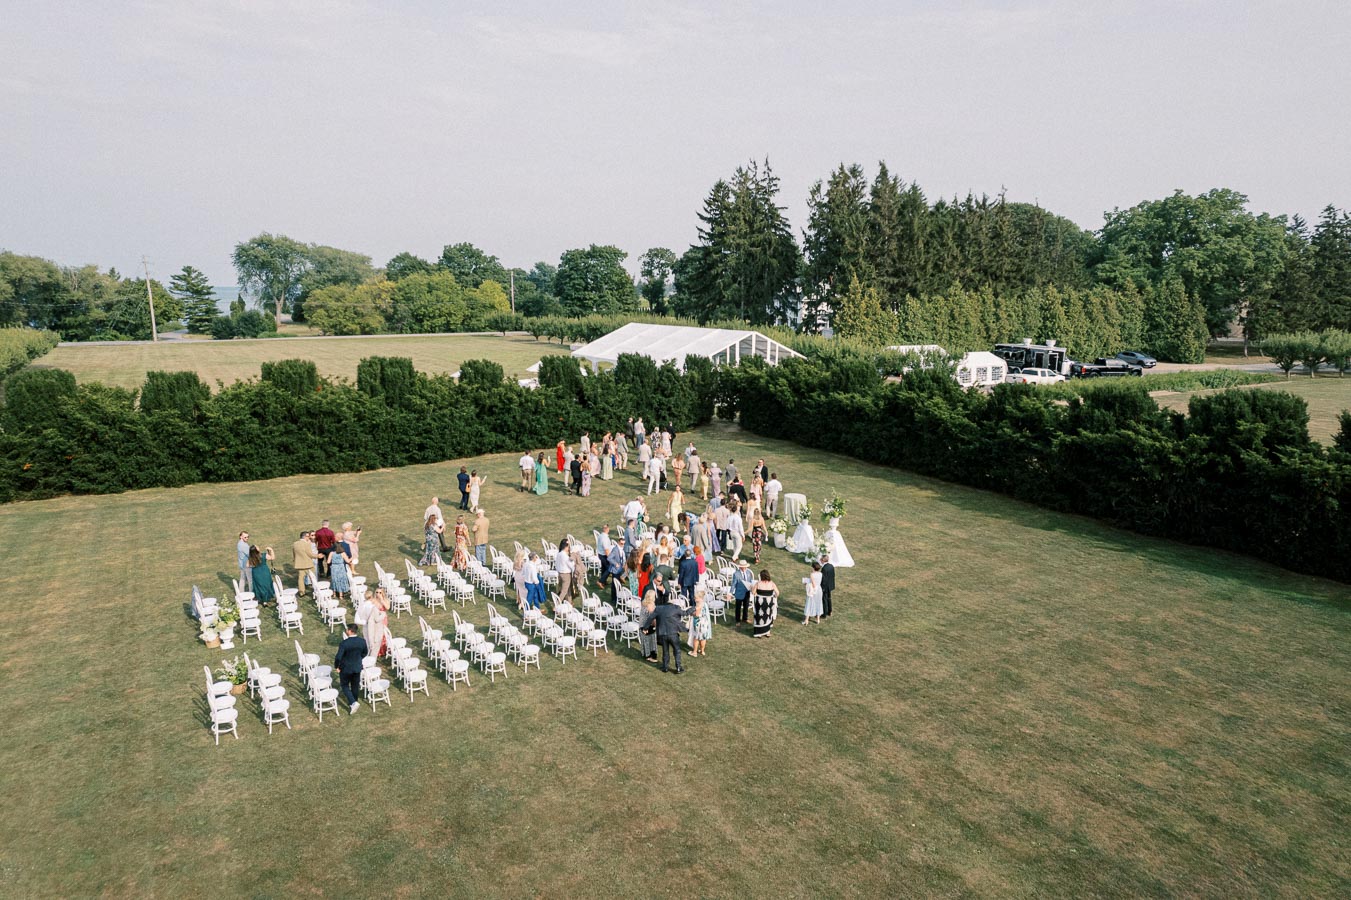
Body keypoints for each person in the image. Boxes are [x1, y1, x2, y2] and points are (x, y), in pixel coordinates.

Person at [638, 593, 693, 673]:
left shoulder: (659, 608)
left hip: (662, 634)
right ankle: (678, 667)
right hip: (673, 633)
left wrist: (645, 628)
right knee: (677, 650)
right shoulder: (675, 608)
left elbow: (650, 618)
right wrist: (693, 608)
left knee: (665, 651)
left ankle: (665, 667)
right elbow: (685, 613)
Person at [333, 623, 368, 714]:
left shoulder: (344, 643)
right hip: (357, 667)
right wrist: (358, 659)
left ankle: (353, 702)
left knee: (344, 685)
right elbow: (365, 652)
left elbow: (338, 657)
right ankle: (354, 701)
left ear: (349, 631)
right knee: (355, 685)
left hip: (346, 668)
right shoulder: (362, 641)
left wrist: (337, 666)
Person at [362, 586, 390, 659]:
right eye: (377, 592)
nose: (378, 594)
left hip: (383, 619)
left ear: (383, 593)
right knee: (374, 633)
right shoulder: (373, 600)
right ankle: (374, 650)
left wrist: (382, 600)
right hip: (374, 619)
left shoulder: (385, 600)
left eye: (380, 592)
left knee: (382, 634)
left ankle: (382, 650)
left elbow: (387, 607)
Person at [291, 530, 322, 595]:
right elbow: (310, 554)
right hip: (308, 564)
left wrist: (295, 560)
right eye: (308, 536)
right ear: (305, 537)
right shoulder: (307, 544)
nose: (309, 538)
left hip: (299, 564)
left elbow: (294, 554)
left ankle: (302, 592)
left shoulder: (295, 544)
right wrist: (318, 556)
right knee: (313, 577)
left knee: (301, 579)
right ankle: (315, 589)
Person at [752, 569, 779, 638]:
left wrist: (756, 594)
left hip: (760, 603)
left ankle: (759, 633)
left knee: (759, 616)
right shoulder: (772, 583)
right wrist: (774, 597)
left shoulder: (758, 583)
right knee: (768, 616)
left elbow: (753, 592)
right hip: (769, 602)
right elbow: (777, 592)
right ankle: (767, 632)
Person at [732, 558, 755, 625]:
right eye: (744, 567)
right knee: (738, 608)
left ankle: (745, 618)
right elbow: (733, 584)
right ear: (741, 567)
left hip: (746, 592)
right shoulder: (736, 574)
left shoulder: (748, 573)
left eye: (745, 567)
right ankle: (737, 620)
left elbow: (750, 581)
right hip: (739, 593)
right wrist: (730, 593)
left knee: (746, 606)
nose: (745, 568)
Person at [638, 592, 659, 662]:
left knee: (645, 640)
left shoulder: (643, 602)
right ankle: (650, 656)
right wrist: (656, 626)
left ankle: (645, 653)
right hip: (647, 625)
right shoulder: (650, 605)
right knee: (651, 641)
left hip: (641, 624)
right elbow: (652, 618)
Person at [689, 588, 711, 657]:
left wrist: (691, 613)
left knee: (696, 638)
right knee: (703, 638)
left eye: (696, 598)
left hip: (699, 624)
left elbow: (697, 615)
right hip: (705, 623)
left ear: (700, 598)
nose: (695, 599)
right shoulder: (705, 604)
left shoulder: (699, 605)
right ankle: (702, 651)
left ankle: (694, 652)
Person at [606, 536, 627, 605]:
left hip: (620, 569)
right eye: (621, 543)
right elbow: (609, 558)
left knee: (618, 584)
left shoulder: (622, 549)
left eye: (624, 543)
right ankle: (614, 599)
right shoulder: (615, 550)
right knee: (614, 585)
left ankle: (618, 597)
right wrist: (615, 564)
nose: (623, 545)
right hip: (615, 570)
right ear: (618, 542)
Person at [555, 538, 576, 604]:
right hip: (566, 574)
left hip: (560, 573)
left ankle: (569, 602)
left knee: (568, 588)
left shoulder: (559, 554)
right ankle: (557, 604)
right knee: (564, 591)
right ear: (566, 547)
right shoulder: (565, 556)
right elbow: (571, 565)